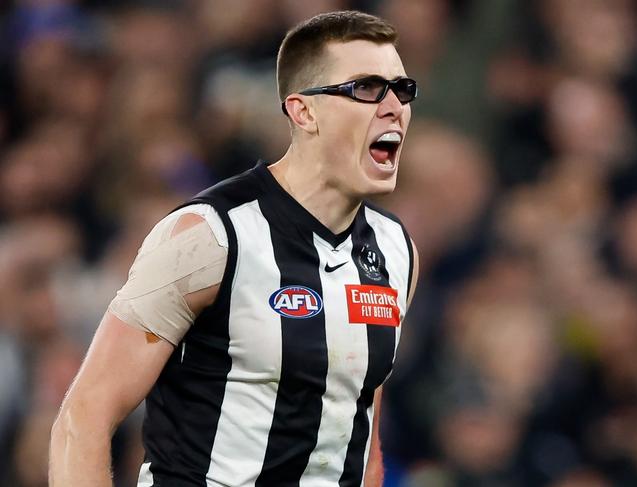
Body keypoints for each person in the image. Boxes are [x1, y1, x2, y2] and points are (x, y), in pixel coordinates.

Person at [50, 10, 419, 487]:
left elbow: (360, 438)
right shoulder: (208, 236)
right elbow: (84, 417)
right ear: (303, 111)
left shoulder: (396, 252)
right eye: (367, 89)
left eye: (402, 90)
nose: (393, 107)